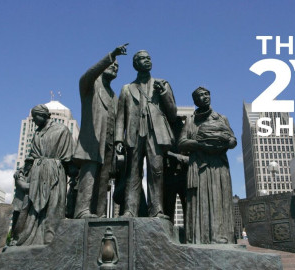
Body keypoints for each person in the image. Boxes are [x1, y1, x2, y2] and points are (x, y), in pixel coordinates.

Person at [115, 50, 177, 218]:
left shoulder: (162, 84)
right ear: (136, 64)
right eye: (142, 58)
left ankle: (156, 209)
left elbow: (173, 113)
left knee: (156, 171)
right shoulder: (127, 89)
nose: (147, 60)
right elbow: (121, 117)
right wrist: (118, 139)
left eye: (149, 58)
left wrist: (163, 93)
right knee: (133, 173)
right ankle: (130, 210)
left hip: (154, 134)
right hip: (134, 134)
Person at [73, 44, 128, 219]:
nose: (115, 67)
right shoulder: (90, 85)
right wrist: (111, 55)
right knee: (88, 178)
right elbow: (88, 74)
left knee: (104, 182)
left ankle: (100, 213)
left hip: (109, 145)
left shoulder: (114, 95)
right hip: (92, 142)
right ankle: (82, 210)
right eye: (112, 65)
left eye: (117, 67)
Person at [179, 87, 237, 244]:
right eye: (200, 95)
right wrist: (200, 145)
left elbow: (233, 140)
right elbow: (181, 143)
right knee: (201, 200)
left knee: (220, 199)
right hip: (199, 166)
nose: (204, 97)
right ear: (195, 101)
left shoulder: (222, 118)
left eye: (206, 94)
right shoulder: (191, 121)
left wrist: (226, 142)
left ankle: (223, 236)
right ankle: (200, 238)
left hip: (219, 165)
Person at [16, 104, 76, 245]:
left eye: (35, 117)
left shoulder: (62, 130)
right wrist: (22, 172)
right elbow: (31, 156)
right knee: (30, 207)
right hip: (36, 174)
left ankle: (51, 237)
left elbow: (69, 157)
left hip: (56, 171)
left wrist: (75, 176)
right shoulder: (37, 133)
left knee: (54, 205)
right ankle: (28, 238)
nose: (33, 120)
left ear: (43, 115)